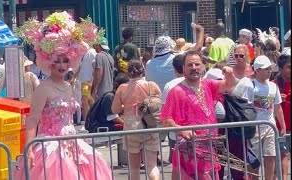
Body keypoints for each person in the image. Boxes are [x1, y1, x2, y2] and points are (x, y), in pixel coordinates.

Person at [13, 11, 113, 180]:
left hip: (72, 143)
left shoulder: (68, 86)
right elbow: (32, 121)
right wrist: (28, 149)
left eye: (65, 60)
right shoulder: (43, 88)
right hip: (49, 146)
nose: (61, 65)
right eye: (56, 61)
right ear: (48, 61)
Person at [160, 50, 236, 180]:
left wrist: (229, 74)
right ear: (183, 68)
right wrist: (182, 130)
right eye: (190, 65)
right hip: (189, 151)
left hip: (209, 150)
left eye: (197, 64)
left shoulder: (207, 84)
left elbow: (229, 85)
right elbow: (166, 119)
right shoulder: (176, 91)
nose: (194, 68)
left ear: (202, 66)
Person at [112, 59, 161, 180]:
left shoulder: (123, 88)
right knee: (152, 165)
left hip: (130, 125)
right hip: (149, 124)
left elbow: (115, 109)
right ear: (143, 70)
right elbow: (159, 104)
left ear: (128, 72)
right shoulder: (152, 85)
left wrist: (126, 105)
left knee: (134, 168)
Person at [241, 55, 286, 180]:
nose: (268, 71)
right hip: (254, 128)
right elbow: (246, 107)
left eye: (269, 69)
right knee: (254, 159)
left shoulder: (273, 86)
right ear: (257, 70)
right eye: (265, 69)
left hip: (270, 126)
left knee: (270, 156)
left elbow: (277, 107)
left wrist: (282, 126)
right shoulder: (250, 85)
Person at [272, 54, 290, 180]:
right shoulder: (274, 85)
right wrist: (276, 101)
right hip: (280, 128)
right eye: (289, 67)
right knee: (283, 154)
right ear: (281, 69)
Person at [79, 48, 96, 122]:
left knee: (85, 101)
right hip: (83, 81)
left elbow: (95, 66)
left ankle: (87, 122)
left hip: (88, 81)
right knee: (88, 102)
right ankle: (91, 121)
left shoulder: (91, 52)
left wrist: (92, 80)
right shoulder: (82, 53)